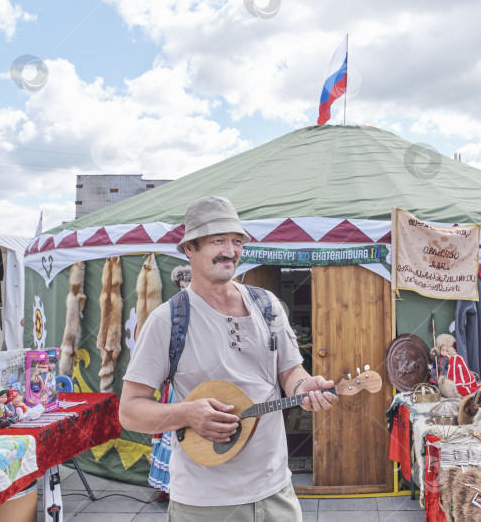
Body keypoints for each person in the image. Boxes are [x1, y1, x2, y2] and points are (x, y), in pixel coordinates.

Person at [120, 196, 337, 521]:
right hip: (204, 504)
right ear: (189, 248)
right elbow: (130, 411)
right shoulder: (168, 321)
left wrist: (305, 388)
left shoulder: (268, 305)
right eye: (217, 240)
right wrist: (187, 414)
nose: (230, 250)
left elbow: (290, 372)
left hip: (276, 491)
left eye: (236, 241)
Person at [149, 264, 192, 500]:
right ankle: (168, 486)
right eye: (183, 286)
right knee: (173, 432)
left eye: (189, 285)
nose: (186, 290)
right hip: (177, 382)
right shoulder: (172, 313)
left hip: (199, 380)